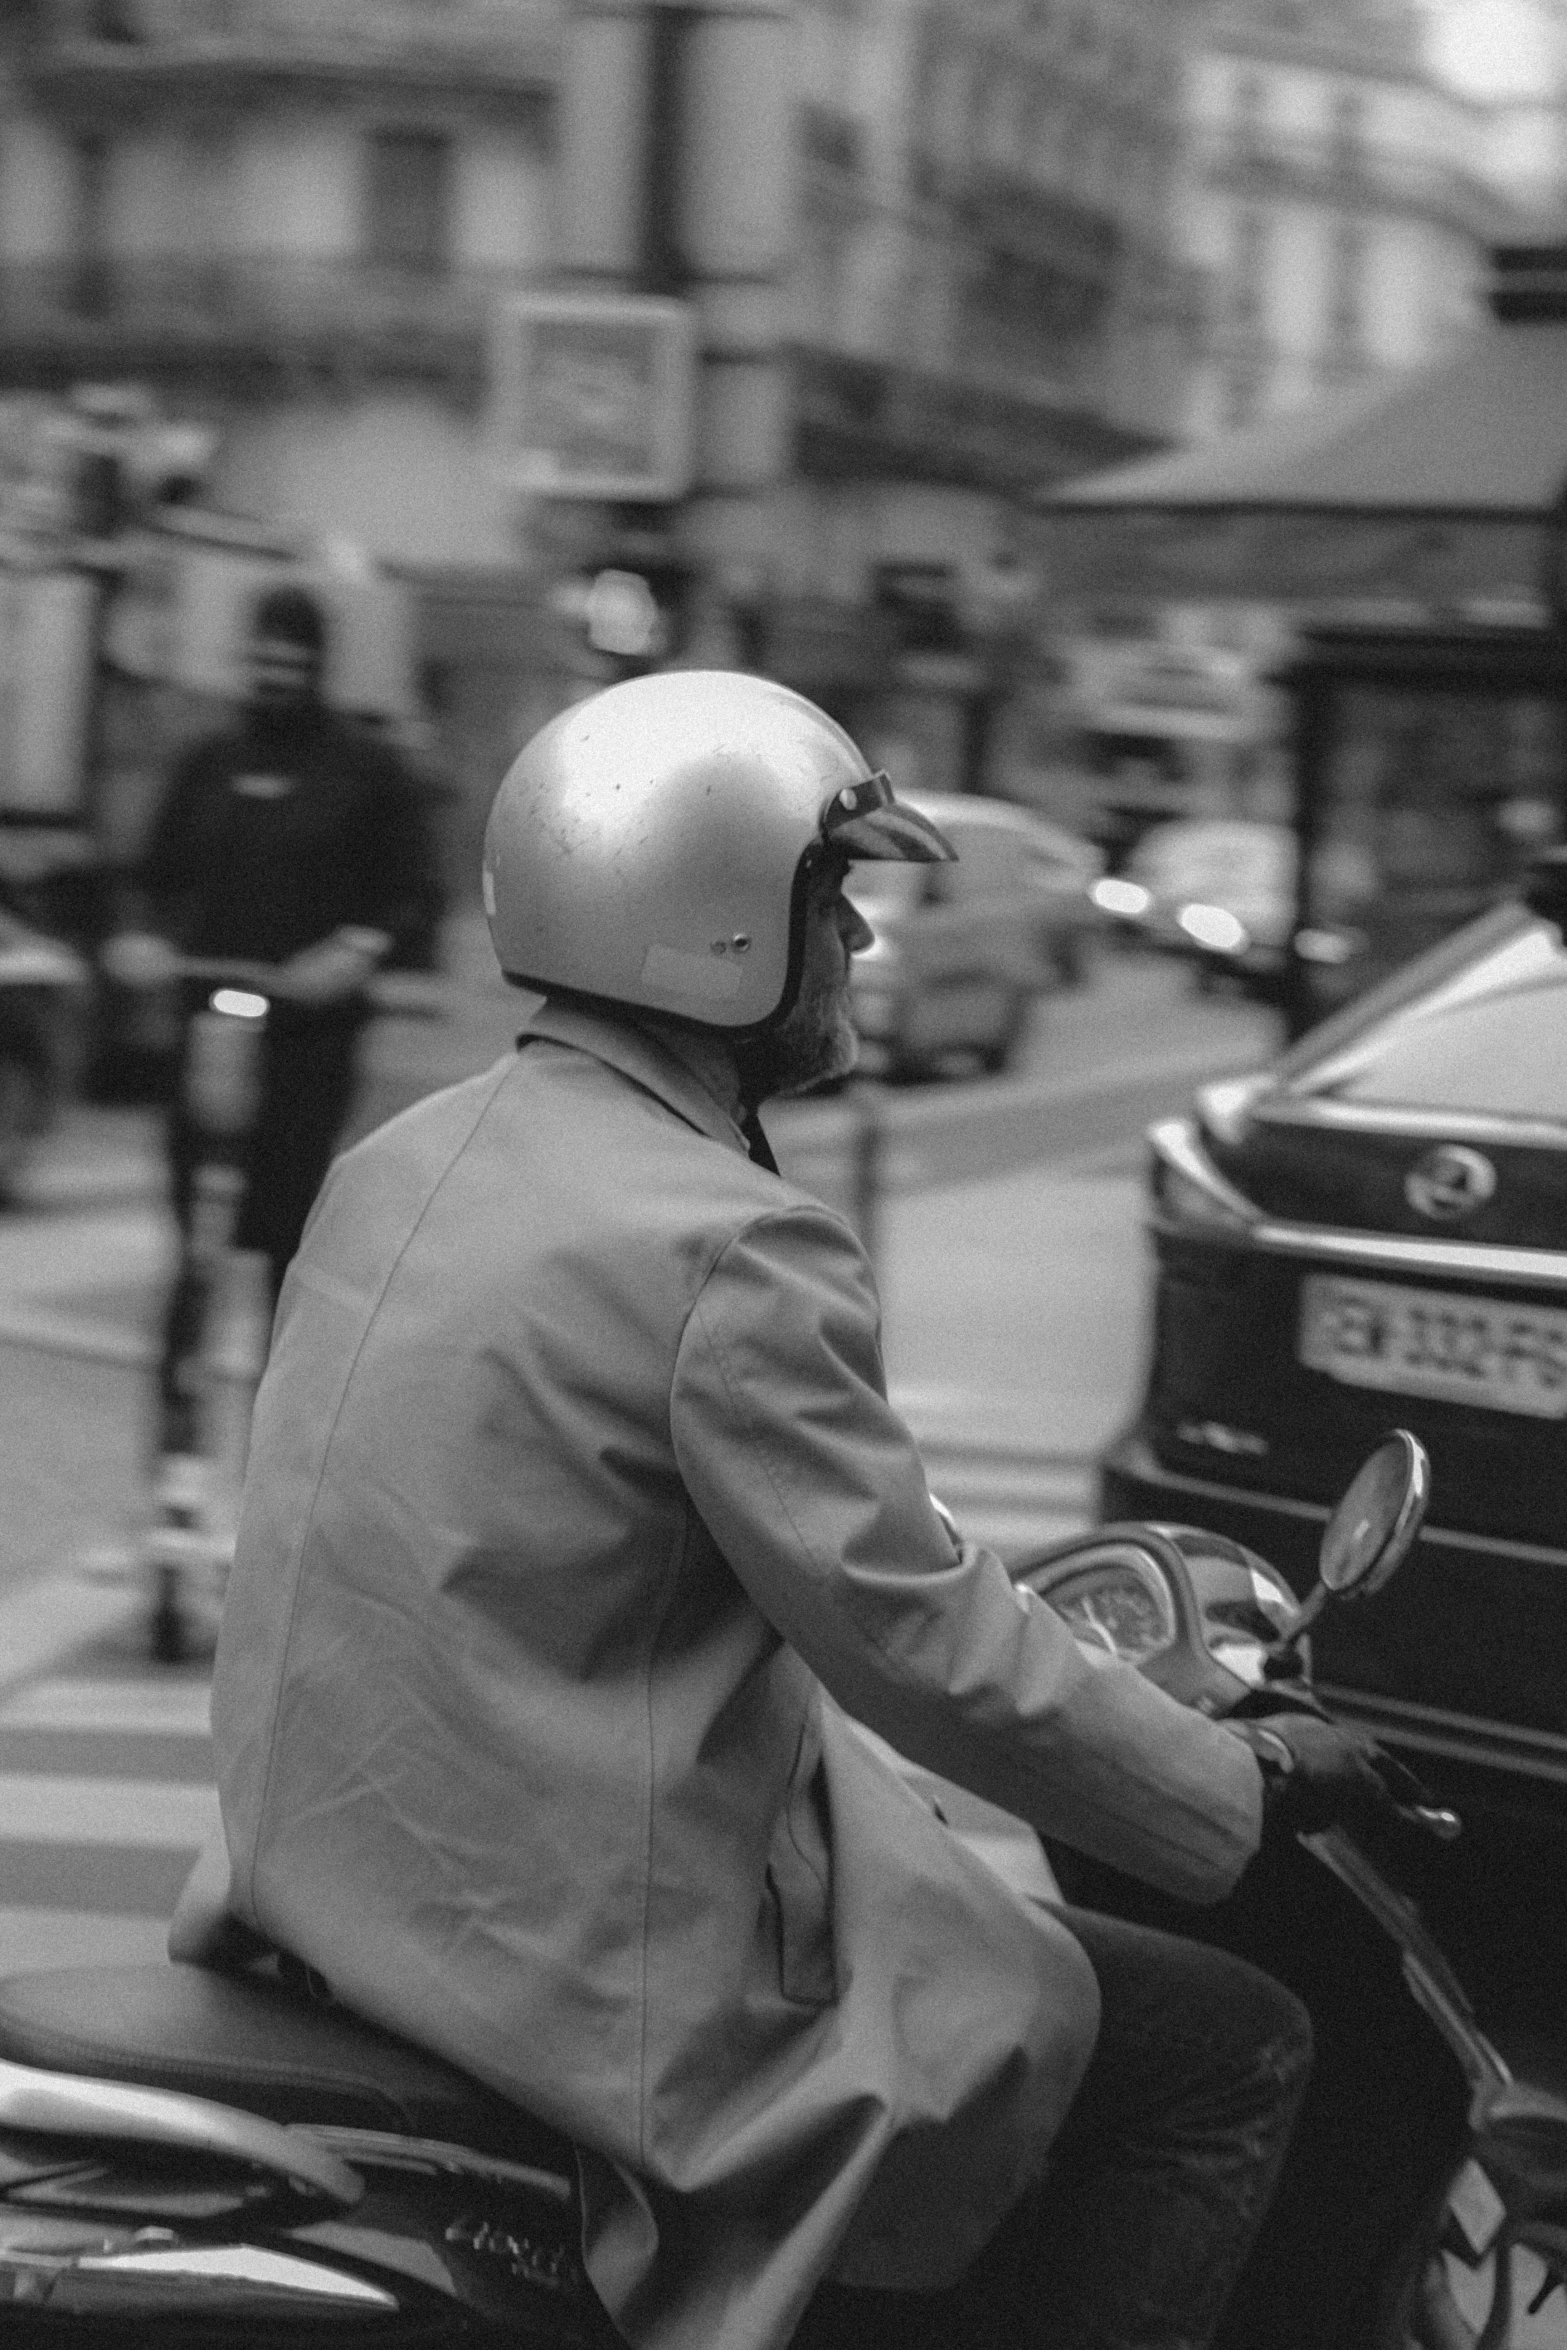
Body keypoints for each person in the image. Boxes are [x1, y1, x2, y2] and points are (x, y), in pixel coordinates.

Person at [195, 671, 1405, 2350]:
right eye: (831, 898)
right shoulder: (721, 1244)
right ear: (707, 921)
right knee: (1225, 2046)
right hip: (566, 1948)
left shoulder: (407, 1157)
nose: (860, 947)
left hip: (347, 1885)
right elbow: (917, 1639)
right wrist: (1234, 1778)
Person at [103, 580, 444, 1482]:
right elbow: (154, 876)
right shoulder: (210, 761)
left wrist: (354, 952)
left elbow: (411, 897)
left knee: (284, 1248)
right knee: (197, 1248)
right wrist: (140, 938)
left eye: (292, 658)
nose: (274, 673)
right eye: (262, 656)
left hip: (306, 1045)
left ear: (319, 665)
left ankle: (281, 1460)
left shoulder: (365, 772)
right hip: (207, 1034)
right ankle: (172, 1464)